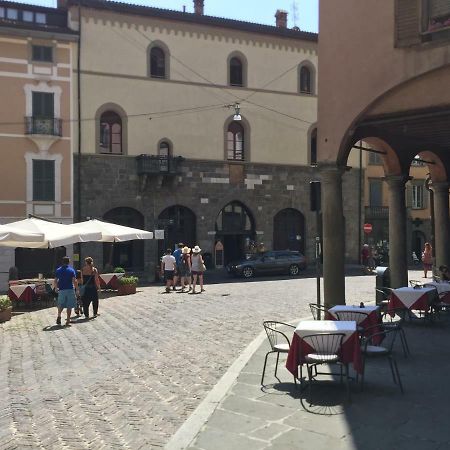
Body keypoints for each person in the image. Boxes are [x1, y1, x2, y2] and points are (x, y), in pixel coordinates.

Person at [53, 256, 79, 326]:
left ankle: (59, 315)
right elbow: (74, 281)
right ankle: (68, 319)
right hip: (70, 289)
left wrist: (56, 288)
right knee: (69, 305)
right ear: (69, 262)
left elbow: (55, 280)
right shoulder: (71, 270)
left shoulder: (58, 270)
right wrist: (77, 289)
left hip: (61, 290)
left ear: (62, 262)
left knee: (61, 304)